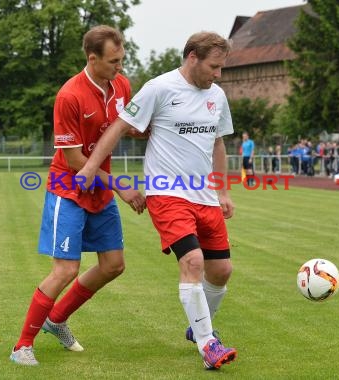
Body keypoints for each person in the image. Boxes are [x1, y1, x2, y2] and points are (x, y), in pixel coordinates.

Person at [77, 31, 237, 370]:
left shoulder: (218, 96)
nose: (218, 75)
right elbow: (120, 126)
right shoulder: (159, 88)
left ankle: (198, 329)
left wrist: (223, 191)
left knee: (221, 270)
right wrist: (91, 166)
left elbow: (218, 144)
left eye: (222, 68)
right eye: (214, 67)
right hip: (167, 193)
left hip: (205, 196)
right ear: (192, 57)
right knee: (193, 262)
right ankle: (209, 343)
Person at [9, 25, 146, 366]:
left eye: (122, 59)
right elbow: (75, 161)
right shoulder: (69, 96)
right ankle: (21, 346)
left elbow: (126, 128)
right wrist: (122, 187)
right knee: (65, 270)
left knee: (114, 265)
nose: (120, 66)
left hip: (99, 192)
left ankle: (56, 321)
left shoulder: (122, 86)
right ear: (92, 58)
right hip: (68, 190)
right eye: (114, 61)